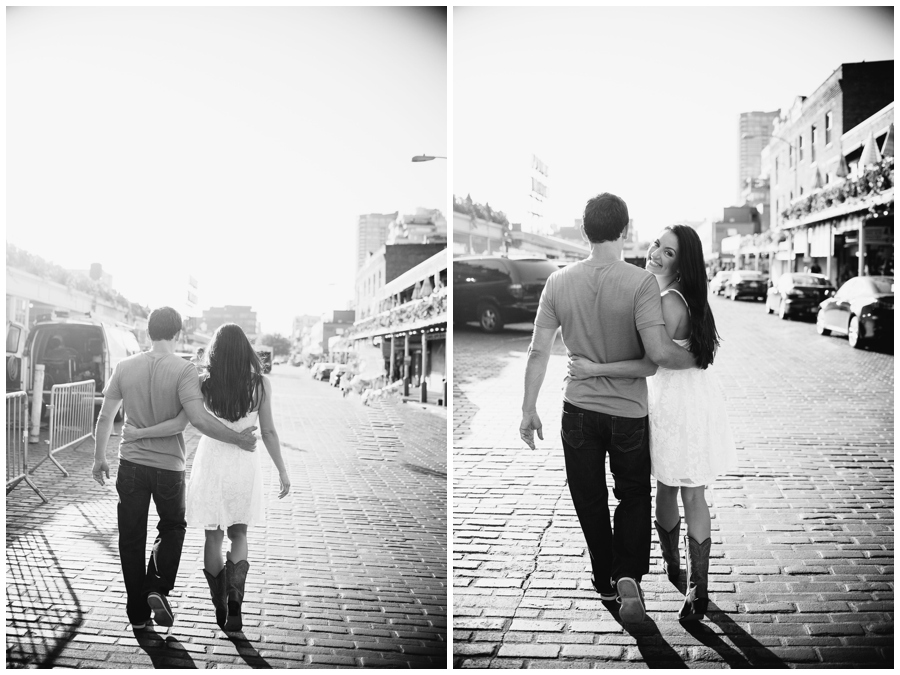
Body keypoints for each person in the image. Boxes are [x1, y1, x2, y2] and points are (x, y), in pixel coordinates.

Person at [520, 193, 697, 625]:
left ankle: (605, 579)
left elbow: (538, 351)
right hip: (629, 411)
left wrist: (528, 409)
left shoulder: (557, 283)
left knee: (589, 498)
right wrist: (698, 356)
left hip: (577, 407)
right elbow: (655, 357)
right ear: (625, 229)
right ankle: (628, 574)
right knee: (634, 493)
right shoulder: (640, 284)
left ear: (584, 231)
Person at [569, 225, 738, 621]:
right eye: (658, 245)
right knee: (684, 491)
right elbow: (688, 356)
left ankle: (682, 573)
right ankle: (690, 578)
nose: (657, 253)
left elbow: (654, 358)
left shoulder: (667, 302)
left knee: (673, 490)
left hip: (674, 403)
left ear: (683, 266)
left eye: (670, 253)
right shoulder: (686, 299)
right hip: (689, 399)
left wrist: (595, 366)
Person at [91, 307, 258, 631]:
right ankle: (157, 584)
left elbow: (105, 416)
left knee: (130, 537)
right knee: (171, 527)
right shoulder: (184, 370)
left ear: (149, 332)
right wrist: (237, 439)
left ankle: (137, 614)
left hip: (130, 465)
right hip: (169, 467)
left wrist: (100, 457)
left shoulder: (124, 367)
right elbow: (195, 420)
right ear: (178, 333)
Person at [123, 323, 291, 632]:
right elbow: (268, 431)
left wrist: (141, 431)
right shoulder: (261, 384)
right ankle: (236, 596)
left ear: (215, 351)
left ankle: (219, 604)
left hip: (212, 461)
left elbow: (187, 421)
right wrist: (282, 470)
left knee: (212, 537)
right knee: (239, 533)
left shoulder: (203, 383)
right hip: (244, 462)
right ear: (246, 350)